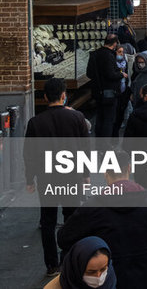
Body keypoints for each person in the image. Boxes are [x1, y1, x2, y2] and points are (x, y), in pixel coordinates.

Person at [57, 151, 147, 289]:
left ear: (105, 172)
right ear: (129, 168)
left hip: (109, 278)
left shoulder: (93, 206)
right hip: (146, 275)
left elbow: (64, 238)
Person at [24, 77, 90, 277]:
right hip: (72, 177)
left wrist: (29, 180)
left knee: (48, 221)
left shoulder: (35, 122)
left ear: (45, 97)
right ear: (64, 96)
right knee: (72, 218)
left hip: (47, 178)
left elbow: (29, 154)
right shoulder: (77, 118)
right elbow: (85, 150)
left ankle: (52, 265)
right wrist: (86, 175)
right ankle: (71, 258)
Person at [86, 34, 124, 138]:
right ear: (115, 43)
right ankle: (105, 144)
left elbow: (89, 73)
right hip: (109, 93)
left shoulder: (94, 54)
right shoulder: (109, 56)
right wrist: (121, 74)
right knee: (108, 119)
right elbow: (110, 74)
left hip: (97, 92)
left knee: (100, 117)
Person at [44, 236, 116, 289]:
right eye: (91, 272)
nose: (98, 276)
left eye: (103, 269)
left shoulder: (109, 277)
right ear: (76, 268)